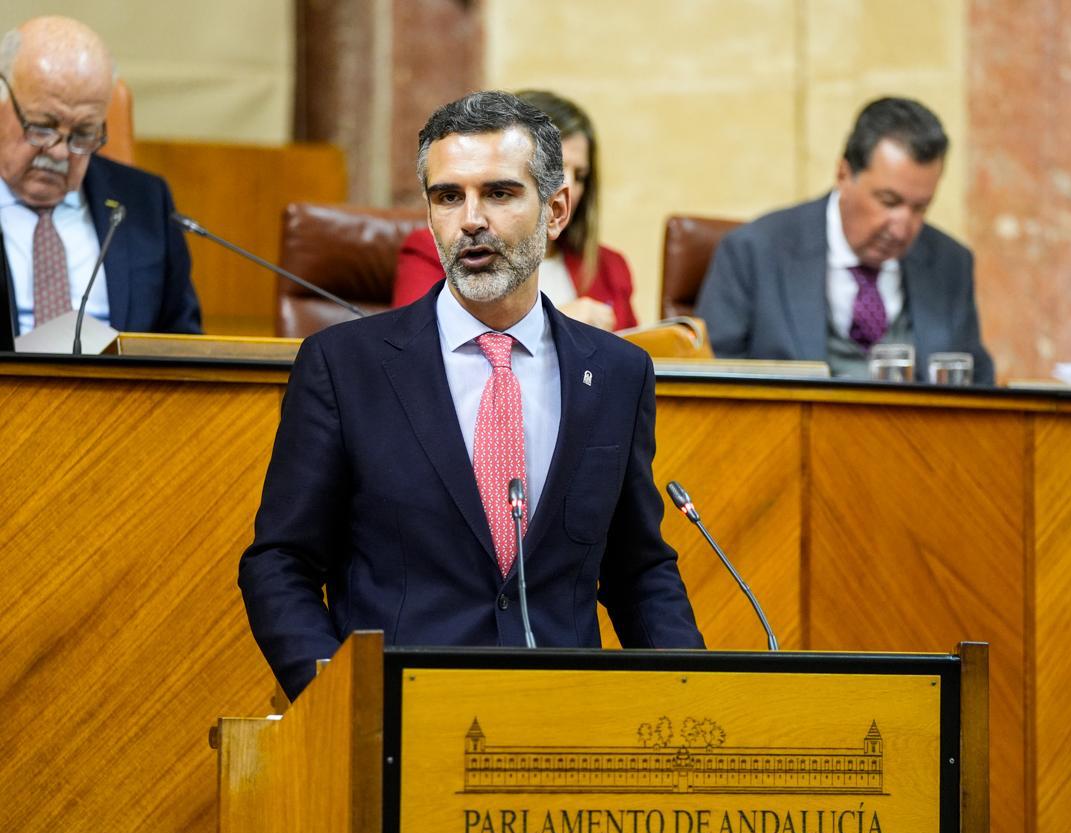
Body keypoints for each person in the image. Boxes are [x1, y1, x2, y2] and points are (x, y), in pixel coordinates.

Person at [240, 90, 703, 701]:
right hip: (397, 719)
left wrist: (698, 693)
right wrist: (336, 701)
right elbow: (280, 562)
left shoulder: (616, 373)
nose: (471, 219)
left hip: (566, 721)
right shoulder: (344, 366)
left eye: (501, 193)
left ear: (556, 210)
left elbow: (636, 569)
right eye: (448, 196)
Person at [695, 97, 994, 383]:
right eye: (888, 201)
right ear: (843, 175)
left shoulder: (950, 264)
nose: (903, 229)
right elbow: (712, 390)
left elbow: (979, 390)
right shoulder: (753, 253)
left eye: (920, 208)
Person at [0, 16, 200, 349]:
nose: (61, 152)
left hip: (122, 399)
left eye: (83, 134)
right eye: (42, 127)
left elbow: (183, 345)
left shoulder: (145, 202)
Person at [391, 89, 637, 331]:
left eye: (580, 175)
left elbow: (633, 355)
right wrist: (558, 324)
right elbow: (411, 344)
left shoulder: (608, 266)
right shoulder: (437, 248)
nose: (569, 185)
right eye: (559, 170)